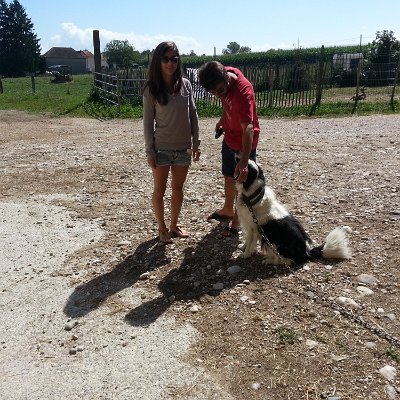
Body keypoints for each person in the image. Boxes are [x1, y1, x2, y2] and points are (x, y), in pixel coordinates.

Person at [143, 41, 201, 245]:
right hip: (161, 149)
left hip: (183, 148)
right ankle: (162, 228)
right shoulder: (151, 89)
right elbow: (147, 122)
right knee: (159, 190)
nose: (170, 63)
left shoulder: (185, 85)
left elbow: (193, 114)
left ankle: (174, 225)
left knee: (178, 188)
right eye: (166, 59)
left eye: (174, 59)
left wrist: (196, 141)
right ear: (158, 61)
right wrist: (150, 151)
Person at [198, 61, 260, 236]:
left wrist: (244, 161)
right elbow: (227, 105)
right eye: (213, 93)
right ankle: (227, 209)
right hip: (229, 137)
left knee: (242, 182)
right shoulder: (224, 75)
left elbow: (248, 128)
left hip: (243, 143)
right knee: (228, 176)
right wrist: (222, 121)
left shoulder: (243, 92)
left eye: (220, 90)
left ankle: (237, 221)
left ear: (226, 78)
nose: (218, 95)